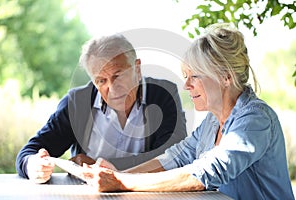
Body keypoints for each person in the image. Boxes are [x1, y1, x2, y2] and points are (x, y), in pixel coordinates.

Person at [80, 23, 295, 200]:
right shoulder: (212, 121)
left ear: (225, 77)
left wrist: (121, 182)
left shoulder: (255, 120)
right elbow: (178, 157)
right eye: (186, 77)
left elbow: (204, 174)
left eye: (195, 76)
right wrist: (118, 176)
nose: (186, 86)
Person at [16, 34, 187, 184]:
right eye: (101, 81)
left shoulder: (164, 95)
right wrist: (33, 165)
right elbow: (29, 152)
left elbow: (173, 154)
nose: (112, 89)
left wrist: (100, 165)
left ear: (137, 68)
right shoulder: (76, 103)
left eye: (118, 75)